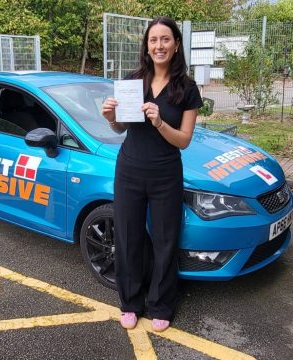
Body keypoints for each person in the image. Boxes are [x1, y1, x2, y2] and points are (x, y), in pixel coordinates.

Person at [102, 16, 202, 332]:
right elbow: (121, 127)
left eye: (165, 39)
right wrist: (110, 117)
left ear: (175, 45)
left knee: (165, 240)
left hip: (165, 173)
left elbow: (183, 141)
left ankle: (161, 304)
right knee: (128, 237)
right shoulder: (133, 81)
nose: (159, 45)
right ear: (147, 45)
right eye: (153, 40)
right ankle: (130, 303)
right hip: (129, 169)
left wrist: (160, 122)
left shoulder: (187, 88)